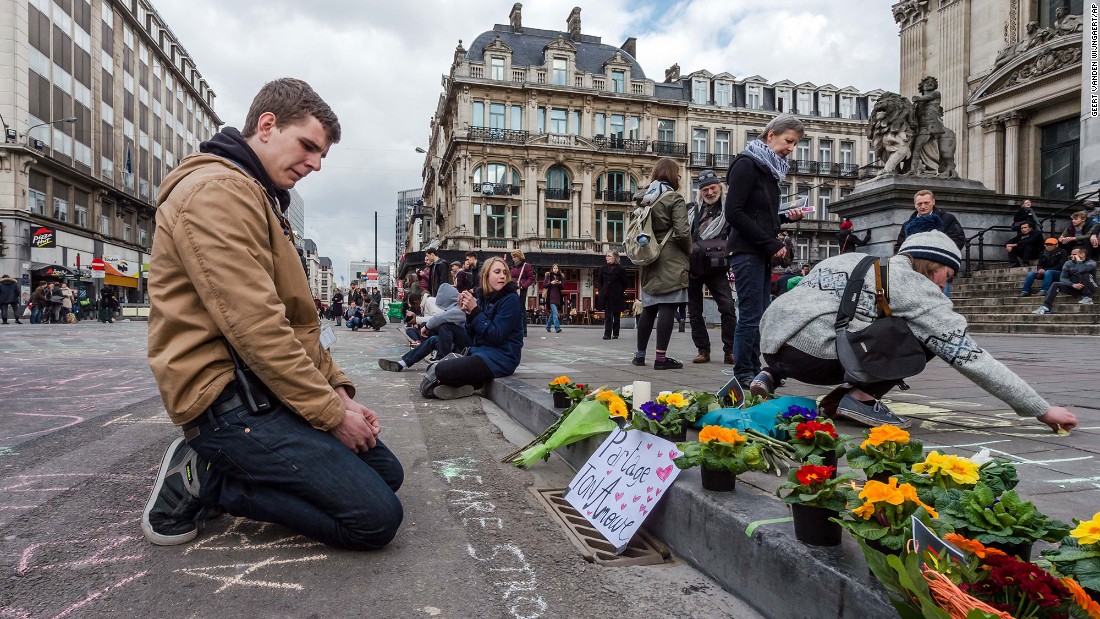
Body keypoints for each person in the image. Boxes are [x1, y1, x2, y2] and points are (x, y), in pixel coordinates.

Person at [142, 78, 402, 550]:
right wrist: (329, 415)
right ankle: (207, 477)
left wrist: (341, 395)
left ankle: (238, 467)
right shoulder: (216, 192)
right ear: (266, 126)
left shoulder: (259, 196)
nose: (315, 164)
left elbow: (296, 323)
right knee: (375, 519)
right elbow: (257, 329)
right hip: (227, 401)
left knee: (386, 472)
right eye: (307, 146)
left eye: (322, 155)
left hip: (263, 389)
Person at [752, 231, 1078, 433]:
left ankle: (771, 378)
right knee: (933, 337)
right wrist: (1041, 409)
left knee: (859, 319)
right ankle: (861, 399)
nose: (943, 284)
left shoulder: (852, 259)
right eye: (945, 274)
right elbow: (969, 356)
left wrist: (773, 364)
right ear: (929, 264)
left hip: (772, 346)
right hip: (814, 358)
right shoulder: (911, 284)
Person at [725, 114, 807, 386]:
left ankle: (753, 369)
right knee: (749, 315)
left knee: (759, 315)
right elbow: (734, 213)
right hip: (746, 251)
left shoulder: (769, 171)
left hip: (758, 252)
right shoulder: (747, 164)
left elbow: (759, 215)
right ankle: (743, 373)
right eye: (788, 141)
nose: (790, 149)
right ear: (770, 135)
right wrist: (772, 243)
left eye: (794, 144)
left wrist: (785, 218)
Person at [420, 257, 523, 399]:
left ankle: (471, 385)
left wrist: (475, 311)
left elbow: (496, 336)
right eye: (497, 272)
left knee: (441, 369)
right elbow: (471, 339)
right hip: (481, 353)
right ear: (486, 276)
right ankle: (467, 386)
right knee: (434, 368)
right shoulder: (484, 299)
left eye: (504, 272)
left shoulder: (511, 299)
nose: (502, 276)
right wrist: (467, 314)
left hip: (502, 358)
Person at [631, 157, 691, 370]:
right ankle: (660, 358)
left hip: (649, 255)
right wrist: (689, 251)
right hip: (671, 257)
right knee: (667, 305)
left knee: (648, 307)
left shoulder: (643, 197)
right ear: (674, 175)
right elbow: (683, 231)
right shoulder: (673, 198)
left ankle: (639, 355)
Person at [686, 169, 736, 364]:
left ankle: (730, 350)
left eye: (712, 188)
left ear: (720, 188)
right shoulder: (692, 210)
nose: (709, 192)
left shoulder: (729, 210)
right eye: (705, 189)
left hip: (717, 267)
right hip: (694, 267)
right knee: (695, 312)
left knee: (728, 308)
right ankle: (703, 350)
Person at [378, 283, 469, 372]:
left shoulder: (463, 307)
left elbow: (441, 317)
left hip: (468, 345)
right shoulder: (454, 308)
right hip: (455, 344)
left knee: (445, 326)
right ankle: (402, 363)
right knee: (433, 339)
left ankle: (441, 361)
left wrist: (426, 327)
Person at [894, 190, 966, 251]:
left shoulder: (947, 218)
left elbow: (958, 240)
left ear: (933, 202)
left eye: (926, 203)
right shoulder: (906, 225)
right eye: (919, 204)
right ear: (915, 205)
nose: (923, 206)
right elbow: (899, 247)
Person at [1033, 247, 1095, 314]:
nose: (1071, 256)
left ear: (1082, 254)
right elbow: (1062, 278)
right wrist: (1072, 285)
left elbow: (1082, 270)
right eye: (1071, 254)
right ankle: (1046, 306)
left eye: (1074, 254)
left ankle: (1087, 297)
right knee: (1056, 284)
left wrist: (1079, 261)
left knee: (1084, 273)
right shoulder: (1068, 263)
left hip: (1089, 287)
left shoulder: (1091, 263)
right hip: (1074, 287)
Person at [595, 250, 628, 340]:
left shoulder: (621, 269)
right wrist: (601, 290)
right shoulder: (603, 268)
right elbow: (599, 281)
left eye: (609, 256)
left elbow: (625, 283)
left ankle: (616, 333)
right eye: (606, 256)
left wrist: (619, 290)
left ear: (615, 257)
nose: (607, 258)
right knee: (608, 315)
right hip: (606, 294)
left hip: (617, 295)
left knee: (616, 315)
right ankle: (607, 334)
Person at [508, 250, 534, 336]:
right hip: (512, 289)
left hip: (521, 289)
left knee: (521, 309)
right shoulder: (513, 267)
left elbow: (531, 278)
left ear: (519, 257)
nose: (513, 258)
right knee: (512, 308)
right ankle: (514, 328)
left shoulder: (526, 266)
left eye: (515, 257)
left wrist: (523, 286)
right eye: (513, 257)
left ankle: (523, 330)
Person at [542, 264, 564, 334]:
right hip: (550, 297)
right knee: (555, 312)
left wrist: (559, 283)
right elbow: (544, 285)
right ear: (552, 269)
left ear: (558, 269)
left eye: (557, 268)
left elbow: (562, 287)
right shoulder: (548, 275)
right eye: (554, 268)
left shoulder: (560, 276)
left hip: (557, 297)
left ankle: (548, 326)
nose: (555, 269)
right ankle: (557, 327)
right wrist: (551, 283)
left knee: (553, 313)